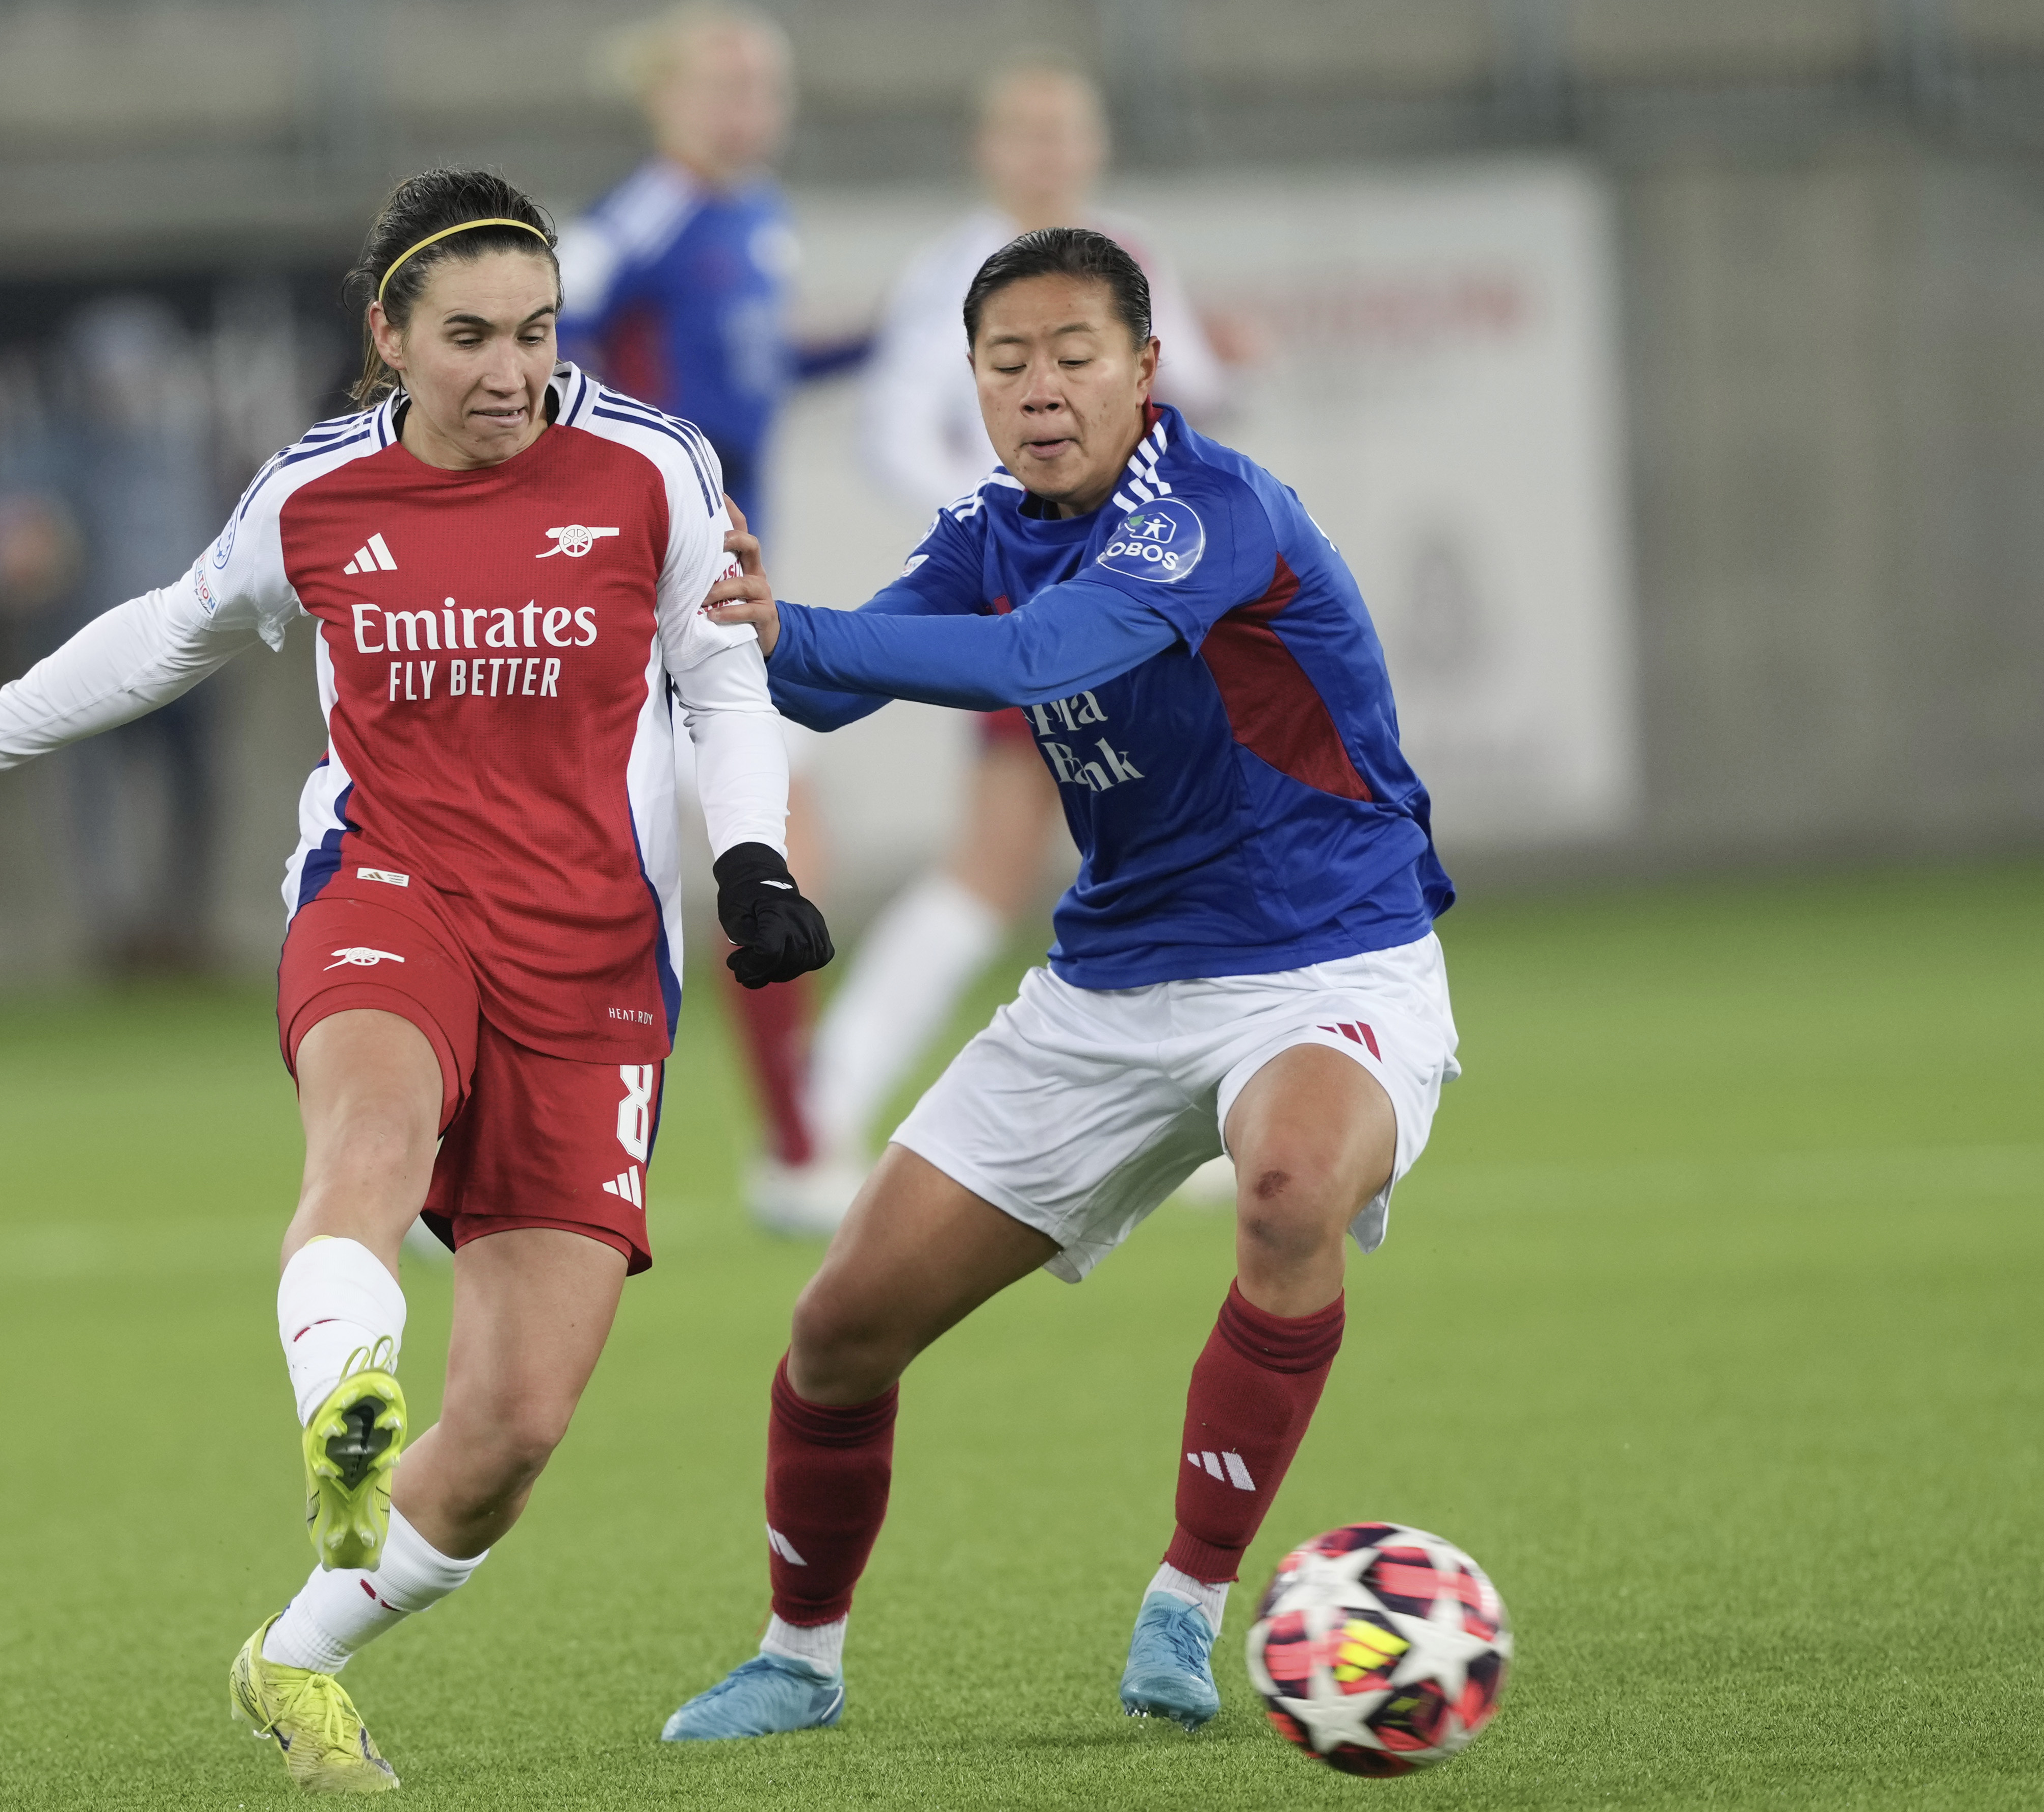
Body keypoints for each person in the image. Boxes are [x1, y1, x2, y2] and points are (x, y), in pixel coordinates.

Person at [0, 168, 833, 1794]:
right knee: (368, 1150)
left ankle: (293, 1657)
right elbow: (163, 632)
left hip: (596, 960)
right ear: (389, 337)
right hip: (389, 894)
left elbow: (719, 669)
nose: (510, 371)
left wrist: (753, 859)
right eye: (472, 336)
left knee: (511, 1436)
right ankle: (344, 1397)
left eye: (538, 331)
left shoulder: (651, 468)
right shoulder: (315, 496)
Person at [659, 227, 1460, 1742]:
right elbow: (842, 672)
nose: (1040, 390)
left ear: (1145, 370)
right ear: (972, 382)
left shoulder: (1210, 507)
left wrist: (798, 633)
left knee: (1288, 1186)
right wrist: (728, 616)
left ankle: (1190, 1599)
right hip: (1106, 991)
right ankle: (797, 1657)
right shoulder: (988, 523)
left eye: (1074, 356)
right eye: (1006, 362)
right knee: (838, 1330)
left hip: (1325, 959)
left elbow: (1041, 657)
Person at [808, 53, 1234, 1184]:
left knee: (1166, 840)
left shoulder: (1132, 254)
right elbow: (893, 430)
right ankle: (828, 1099)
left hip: (1150, 595)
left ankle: (1197, 1113)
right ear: (987, 152)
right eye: (1027, 134)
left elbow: (1184, 394)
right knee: (998, 859)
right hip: (1044, 599)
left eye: (1066, 132)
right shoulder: (951, 273)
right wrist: (1010, 520)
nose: (1049, 154)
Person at [558, 1, 867, 1235]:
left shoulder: (752, 216)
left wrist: (892, 344)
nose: (747, 103)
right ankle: (790, 1154)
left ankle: (792, 1148)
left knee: (766, 845)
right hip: (640, 579)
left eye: (762, 81)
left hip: (718, 572)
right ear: (666, 97)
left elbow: (754, 368)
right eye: (722, 80)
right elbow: (547, 351)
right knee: (643, 863)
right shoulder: (641, 216)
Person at [0, 295, 225, 977]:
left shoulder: (180, 454)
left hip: (189, 662)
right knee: (98, 796)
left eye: (140, 377)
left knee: (193, 790)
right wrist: (1, 562)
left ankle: (183, 925)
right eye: (112, 379)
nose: (126, 395)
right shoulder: (44, 456)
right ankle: (115, 932)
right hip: (96, 659)